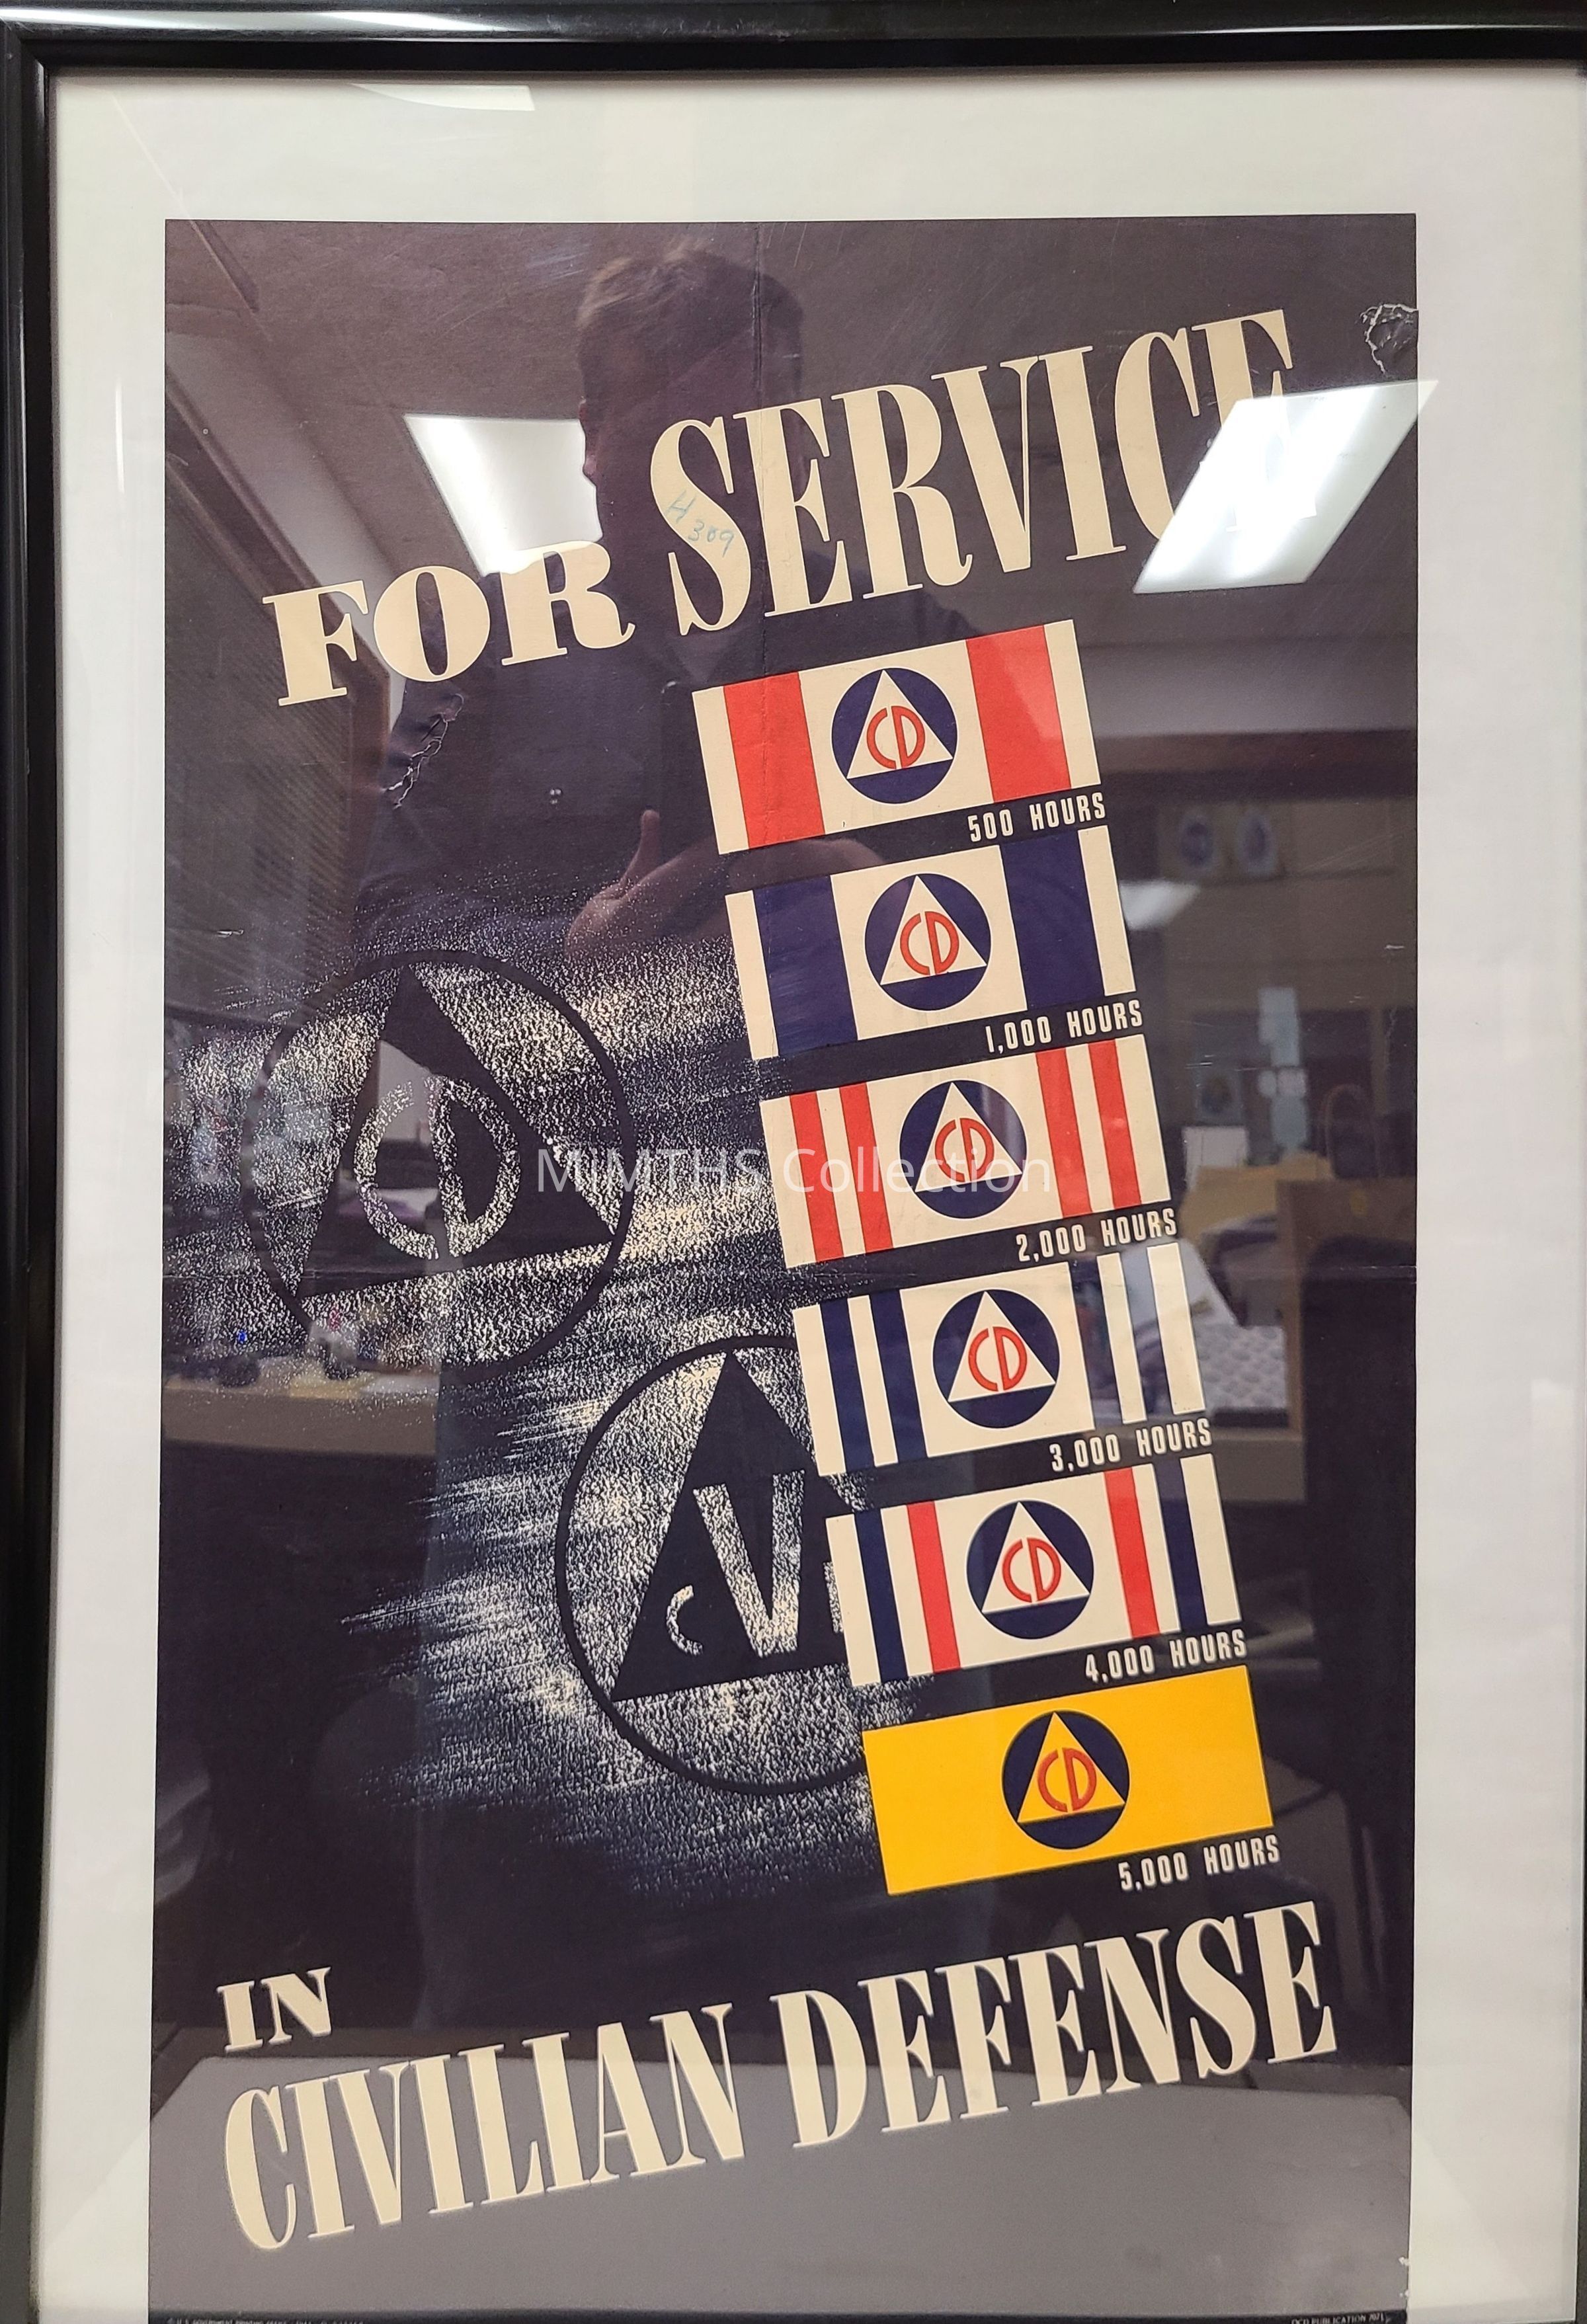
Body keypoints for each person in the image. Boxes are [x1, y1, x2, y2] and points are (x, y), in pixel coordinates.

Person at [350, 243, 985, 2031]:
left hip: (845, 1326)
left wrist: (894, 910)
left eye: (760, 443)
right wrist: (572, 965)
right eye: (680, 443)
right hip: (558, 1336)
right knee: (525, 1909)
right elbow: (388, 968)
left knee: (866, 1926)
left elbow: (1036, 1001)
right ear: (594, 443)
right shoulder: (482, 665)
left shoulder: (914, 652)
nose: (727, 485)